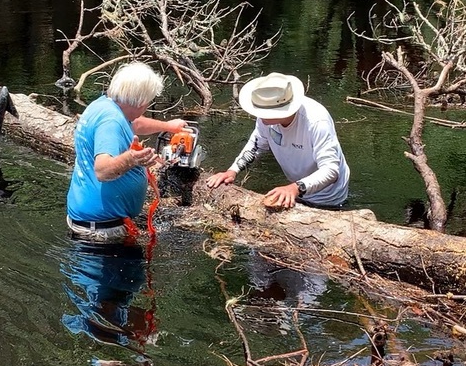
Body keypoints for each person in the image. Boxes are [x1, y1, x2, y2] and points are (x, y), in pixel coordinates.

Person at [66, 62, 187, 242]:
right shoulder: (111, 121)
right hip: (101, 232)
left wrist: (169, 127)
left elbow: (135, 123)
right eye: (148, 101)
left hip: (90, 219)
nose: (147, 106)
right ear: (140, 101)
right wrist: (132, 159)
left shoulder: (104, 105)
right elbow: (103, 171)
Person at [205, 72, 350, 208]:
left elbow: (331, 170)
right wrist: (232, 171)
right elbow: (256, 146)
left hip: (328, 197)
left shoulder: (316, 121)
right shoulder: (265, 117)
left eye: (265, 113)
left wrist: (294, 188)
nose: (260, 116)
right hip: (297, 188)